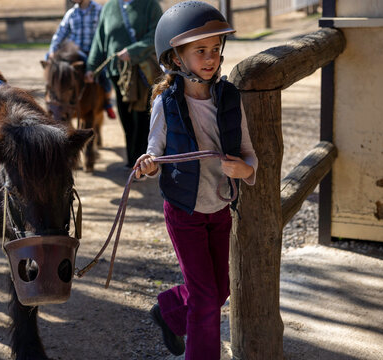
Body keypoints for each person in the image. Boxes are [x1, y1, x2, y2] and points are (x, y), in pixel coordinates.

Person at [133, 2, 258, 358]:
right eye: (200, 51)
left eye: (216, 50)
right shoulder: (166, 103)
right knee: (205, 300)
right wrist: (149, 164)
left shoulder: (230, 99)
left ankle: (169, 311)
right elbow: (154, 151)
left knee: (220, 290)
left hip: (220, 208)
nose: (210, 58)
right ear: (176, 59)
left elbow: (250, 156)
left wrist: (245, 170)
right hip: (184, 211)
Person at [84, 0, 162, 167]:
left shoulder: (150, 5)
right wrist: (92, 67)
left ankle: (140, 162)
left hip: (142, 72)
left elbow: (156, 34)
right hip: (117, 73)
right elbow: (100, 39)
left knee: (141, 117)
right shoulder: (110, 7)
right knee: (126, 119)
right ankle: (132, 160)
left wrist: (133, 51)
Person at [47, 0, 116, 119]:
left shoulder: (99, 10)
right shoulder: (71, 13)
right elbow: (60, 34)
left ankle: (107, 100)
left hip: (94, 52)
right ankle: (53, 99)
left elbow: (106, 32)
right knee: (54, 69)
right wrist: (52, 50)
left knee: (105, 74)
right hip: (75, 53)